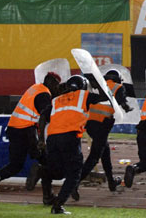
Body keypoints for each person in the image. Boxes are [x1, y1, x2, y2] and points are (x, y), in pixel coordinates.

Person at [38, 75, 109, 214]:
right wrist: (97, 84)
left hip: (52, 138)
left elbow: (42, 117)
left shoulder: (56, 99)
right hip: (70, 137)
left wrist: (41, 139)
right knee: (74, 173)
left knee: (57, 170)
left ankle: (43, 171)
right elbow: (104, 97)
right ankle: (58, 206)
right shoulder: (83, 95)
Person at [0, 73, 61, 202]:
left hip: (14, 129)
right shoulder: (44, 95)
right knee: (45, 162)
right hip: (27, 130)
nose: (57, 89)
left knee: (16, 164)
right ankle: (47, 195)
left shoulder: (35, 88)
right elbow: (46, 116)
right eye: (57, 86)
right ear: (53, 83)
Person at [72, 70, 133, 200]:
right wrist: (127, 108)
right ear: (118, 79)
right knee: (94, 157)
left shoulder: (98, 85)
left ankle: (111, 181)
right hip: (102, 124)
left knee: (105, 152)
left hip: (90, 123)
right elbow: (122, 102)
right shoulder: (118, 87)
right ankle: (74, 184)